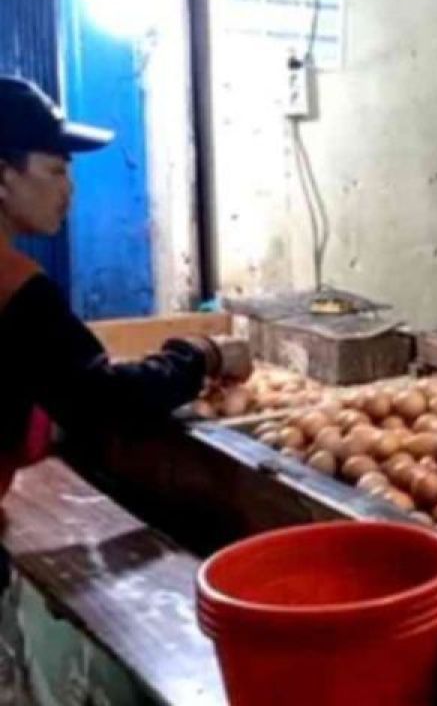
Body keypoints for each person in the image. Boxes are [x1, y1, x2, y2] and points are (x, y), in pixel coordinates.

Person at [0, 76, 250, 493]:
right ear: (3, 177)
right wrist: (199, 356)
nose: (70, 188)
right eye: (56, 170)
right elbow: (103, 401)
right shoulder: (15, 285)